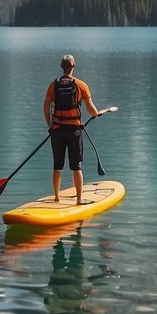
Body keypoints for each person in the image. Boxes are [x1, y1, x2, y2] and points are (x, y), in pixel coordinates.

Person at [43, 54, 100, 205]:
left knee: (57, 166)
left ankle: (56, 197)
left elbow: (46, 107)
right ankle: (79, 200)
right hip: (74, 130)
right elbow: (91, 110)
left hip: (57, 130)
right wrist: (97, 114)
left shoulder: (53, 85)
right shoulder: (81, 85)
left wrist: (50, 125)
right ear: (74, 66)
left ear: (61, 66)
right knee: (76, 167)